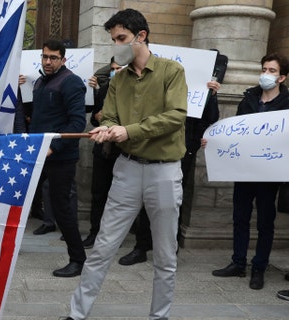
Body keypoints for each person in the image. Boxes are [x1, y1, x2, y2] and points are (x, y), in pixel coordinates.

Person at [65, 9, 188, 319]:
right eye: (113, 39)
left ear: (141, 36)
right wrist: (106, 128)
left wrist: (127, 130)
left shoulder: (171, 71)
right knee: (103, 246)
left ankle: (159, 316)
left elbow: (175, 117)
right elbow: (108, 115)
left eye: (121, 38)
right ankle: (77, 313)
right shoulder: (118, 79)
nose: (116, 45)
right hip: (127, 169)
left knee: (164, 253)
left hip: (164, 170)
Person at [117, 79, 221, 265]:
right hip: (155, 148)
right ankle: (141, 247)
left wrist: (212, 96)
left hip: (182, 151)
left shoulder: (201, 91)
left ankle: (168, 251)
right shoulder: (164, 84)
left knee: (173, 201)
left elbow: (210, 119)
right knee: (146, 197)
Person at [211, 52, 289, 290]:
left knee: (265, 222)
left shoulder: (287, 104)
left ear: (282, 78)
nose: (266, 74)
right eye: (264, 69)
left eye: (272, 71)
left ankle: (259, 267)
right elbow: (234, 130)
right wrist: (214, 140)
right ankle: (238, 263)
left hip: (269, 173)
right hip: (244, 170)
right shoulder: (248, 99)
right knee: (240, 218)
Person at [28, 39, 87, 277]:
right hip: (37, 151)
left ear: (63, 59)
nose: (48, 61)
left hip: (60, 157)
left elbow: (77, 123)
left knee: (61, 208)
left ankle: (77, 259)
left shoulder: (71, 82)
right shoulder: (41, 81)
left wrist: (53, 147)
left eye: (53, 58)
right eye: (45, 57)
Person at [81, 58, 124, 249]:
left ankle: (115, 237)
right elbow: (94, 117)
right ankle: (94, 232)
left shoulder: (137, 91)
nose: (115, 72)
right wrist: (98, 117)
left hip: (123, 152)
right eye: (112, 69)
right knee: (98, 193)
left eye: (118, 69)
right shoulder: (105, 88)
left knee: (121, 197)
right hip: (103, 151)